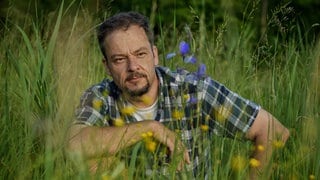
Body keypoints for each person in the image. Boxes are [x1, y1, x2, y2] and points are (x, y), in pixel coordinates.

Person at [66, 11, 290, 179]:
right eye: (119, 59)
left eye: (140, 54)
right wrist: (150, 129)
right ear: (106, 66)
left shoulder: (193, 90)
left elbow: (273, 131)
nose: (133, 66)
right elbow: (72, 145)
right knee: (94, 160)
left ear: (155, 55)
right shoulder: (101, 95)